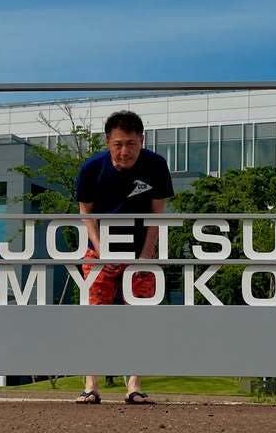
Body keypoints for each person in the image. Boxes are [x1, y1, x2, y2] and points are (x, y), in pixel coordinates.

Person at [74, 110, 174, 405]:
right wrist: (100, 250)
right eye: (118, 144)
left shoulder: (156, 165)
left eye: (131, 144)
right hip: (100, 251)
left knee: (138, 319)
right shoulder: (91, 168)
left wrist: (146, 255)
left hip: (140, 251)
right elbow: (85, 212)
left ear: (141, 140)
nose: (124, 151)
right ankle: (91, 385)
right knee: (95, 317)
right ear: (108, 142)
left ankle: (134, 385)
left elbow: (157, 215)